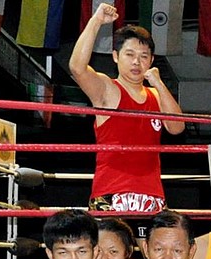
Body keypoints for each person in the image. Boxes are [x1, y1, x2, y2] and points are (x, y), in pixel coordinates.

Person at [70, 3, 184, 244]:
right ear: (115, 57)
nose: (137, 62)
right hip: (111, 193)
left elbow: (177, 127)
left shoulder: (156, 96)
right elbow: (77, 68)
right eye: (130, 55)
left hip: (152, 195)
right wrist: (96, 21)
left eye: (143, 57)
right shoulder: (109, 91)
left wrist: (159, 84)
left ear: (151, 60)